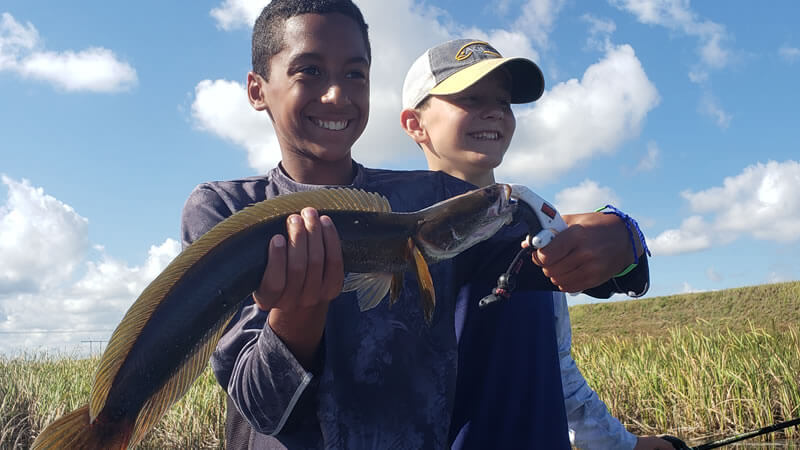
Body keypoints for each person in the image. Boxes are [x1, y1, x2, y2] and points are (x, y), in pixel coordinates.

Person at [181, 2, 652, 448]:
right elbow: (260, 407)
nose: (337, 93)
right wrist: (297, 316)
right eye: (309, 70)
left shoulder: (432, 199)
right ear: (256, 89)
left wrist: (622, 236)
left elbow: (547, 252)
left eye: (355, 73)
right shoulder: (226, 210)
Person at [400, 38, 672, 449]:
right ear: (414, 124)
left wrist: (627, 446)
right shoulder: (396, 233)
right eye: (470, 98)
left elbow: (557, 367)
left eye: (504, 101)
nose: (493, 111)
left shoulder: (538, 219)